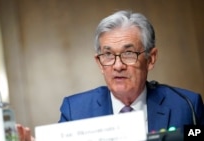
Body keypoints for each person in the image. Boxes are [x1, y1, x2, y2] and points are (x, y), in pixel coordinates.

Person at [17, 10, 204, 141]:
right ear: (99, 62)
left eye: (129, 53)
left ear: (151, 59)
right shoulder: (76, 111)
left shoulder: (186, 105)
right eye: (108, 55)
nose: (118, 65)